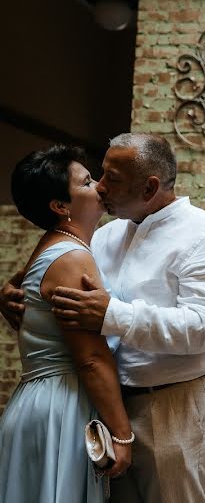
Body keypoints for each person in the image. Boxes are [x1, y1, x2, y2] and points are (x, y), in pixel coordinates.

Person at [2, 134, 205, 503]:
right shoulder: (105, 236)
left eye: (112, 179)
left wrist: (112, 315)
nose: (101, 187)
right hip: (106, 405)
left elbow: (204, 329)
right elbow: (48, 273)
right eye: (99, 175)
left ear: (149, 188)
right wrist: (10, 292)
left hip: (175, 406)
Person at [0, 145, 132, 502]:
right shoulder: (72, 257)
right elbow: (90, 358)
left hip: (35, 401)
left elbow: (27, 285)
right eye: (87, 182)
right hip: (62, 409)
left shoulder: (53, 246)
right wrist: (121, 435)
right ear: (60, 206)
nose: (100, 187)